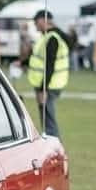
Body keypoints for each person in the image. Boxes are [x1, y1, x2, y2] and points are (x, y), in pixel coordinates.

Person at [27, 9, 69, 138]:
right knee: (46, 121)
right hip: (47, 85)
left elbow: (49, 65)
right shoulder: (47, 37)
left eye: (36, 21)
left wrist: (43, 89)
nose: (35, 24)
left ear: (43, 20)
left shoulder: (52, 38)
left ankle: (55, 150)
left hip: (49, 86)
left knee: (49, 122)